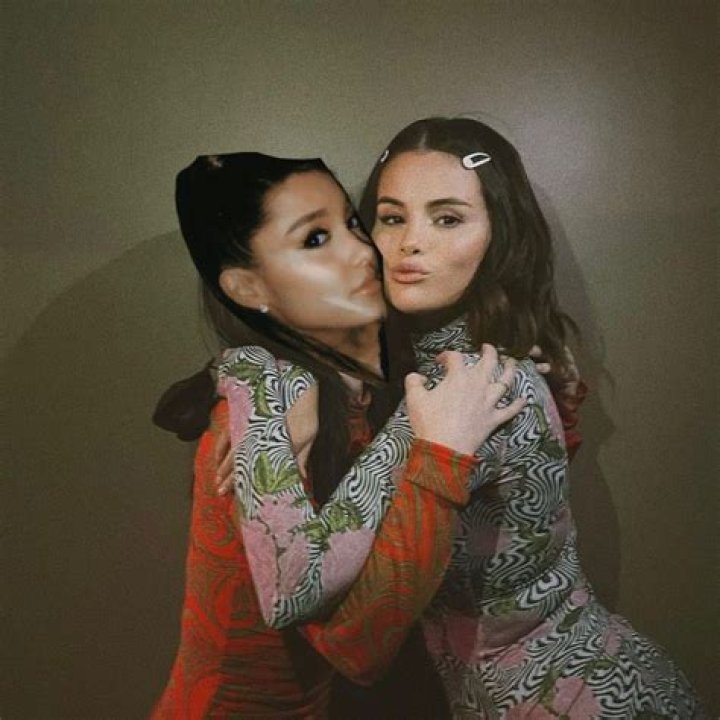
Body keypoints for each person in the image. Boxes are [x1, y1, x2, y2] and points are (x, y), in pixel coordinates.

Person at [346, 116, 702, 718]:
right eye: (392, 217)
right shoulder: (455, 367)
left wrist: (262, 414)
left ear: (500, 234)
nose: (410, 243)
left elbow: (349, 630)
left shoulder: (475, 380)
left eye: (447, 218)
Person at [150, 151, 526, 719]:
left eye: (353, 224)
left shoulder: (365, 386)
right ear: (249, 287)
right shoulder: (262, 409)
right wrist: (434, 442)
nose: (362, 251)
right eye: (315, 239)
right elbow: (353, 645)